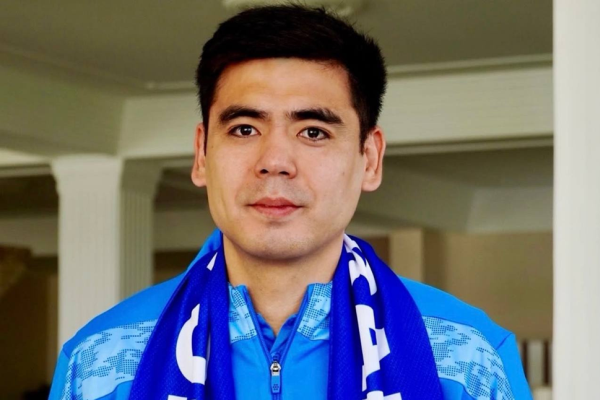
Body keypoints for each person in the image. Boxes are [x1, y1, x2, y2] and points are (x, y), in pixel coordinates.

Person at [49, 5, 531, 400]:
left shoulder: (467, 356)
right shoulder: (101, 361)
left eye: (313, 131)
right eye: (244, 129)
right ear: (201, 155)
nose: (275, 162)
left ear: (369, 158)